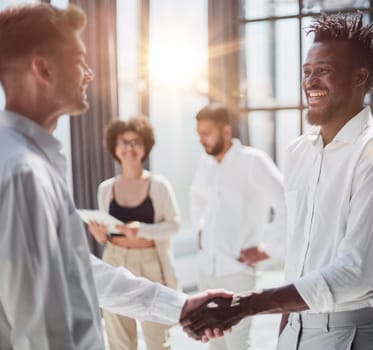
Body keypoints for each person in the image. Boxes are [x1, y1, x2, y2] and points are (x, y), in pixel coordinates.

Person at [0, 4, 231, 349]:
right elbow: (39, 329)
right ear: (44, 69)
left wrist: (180, 305)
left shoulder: (34, 164)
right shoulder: (22, 173)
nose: (88, 74)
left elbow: (80, 270)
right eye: (78, 60)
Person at [182, 12, 373, 350]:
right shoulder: (299, 151)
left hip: (359, 333)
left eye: (324, 71)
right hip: (297, 327)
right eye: (307, 72)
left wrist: (247, 305)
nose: (310, 82)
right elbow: (300, 249)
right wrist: (287, 326)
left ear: (360, 77)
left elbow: (354, 273)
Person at [189, 102, 287, 349]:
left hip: (237, 271)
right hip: (206, 271)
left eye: (207, 133)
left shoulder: (253, 161)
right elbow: (197, 198)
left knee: (237, 345)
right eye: (199, 133)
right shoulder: (205, 163)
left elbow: (287, 203)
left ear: (226, 131)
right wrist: (201, 230)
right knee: (214, 343)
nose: (202, 139)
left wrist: (269, 249)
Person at [88, 116, 181, 350]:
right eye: (123, 142)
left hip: (150, 264)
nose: (129, 148)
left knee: (158, 340)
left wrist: (143, 230)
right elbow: (107, 232)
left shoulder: (159, 186)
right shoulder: (106, 188)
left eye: (136, 142)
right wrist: (101, 236)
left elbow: (175, 225)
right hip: (114, 261)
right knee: (119, 341)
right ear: (114, 147)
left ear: (145, 146)